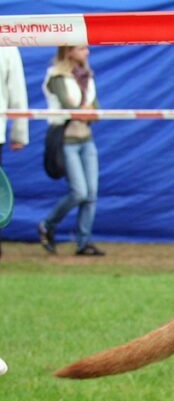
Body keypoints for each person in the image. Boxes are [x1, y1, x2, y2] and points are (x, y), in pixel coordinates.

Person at [38, 45, 105, 257]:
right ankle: (47, 225)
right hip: (66, 139)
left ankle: (83, 242)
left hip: (87, 138)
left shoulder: (88, 76)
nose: (87, 52)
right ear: (68, 51)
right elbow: (69, 107)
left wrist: (87, 112)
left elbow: (96, 108)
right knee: (79, 192)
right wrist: (85, 111)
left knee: (91, 193)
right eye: (81, 48)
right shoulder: (56, 76)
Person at [0, 46, 29, 262]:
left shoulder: (8, 42)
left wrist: (20, 132)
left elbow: (16, 91)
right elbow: (17, 91)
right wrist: (19, 133)